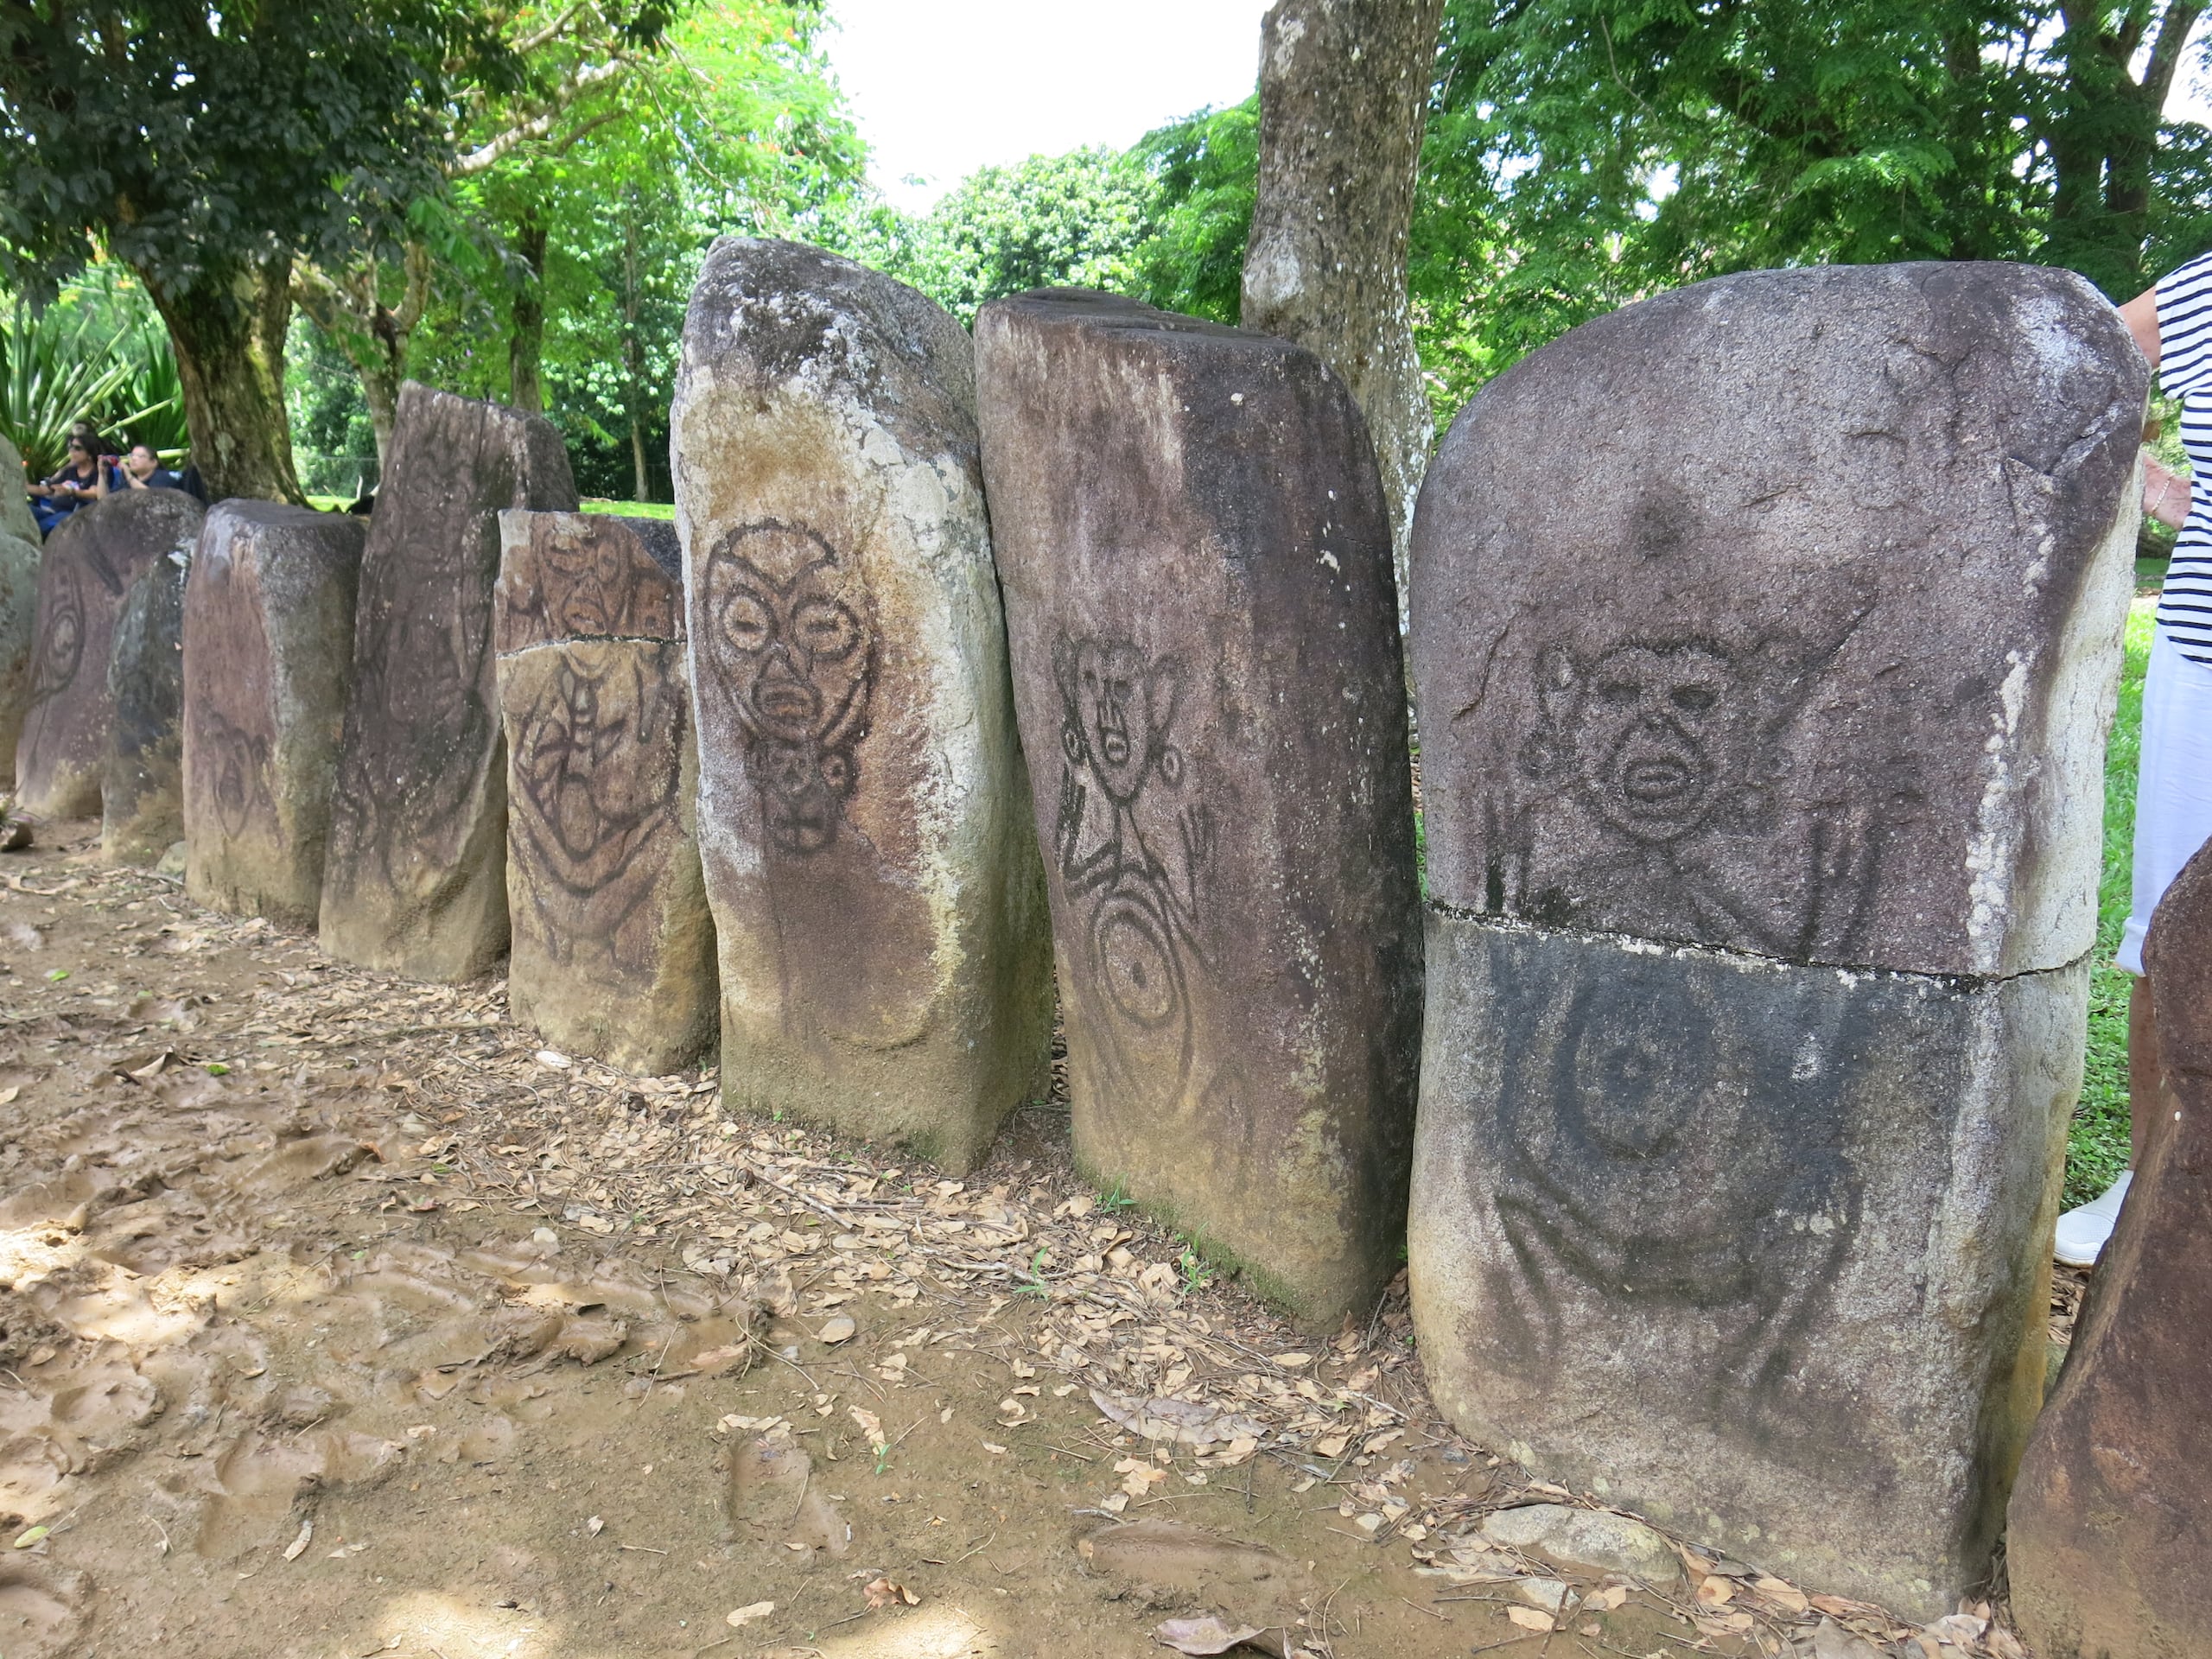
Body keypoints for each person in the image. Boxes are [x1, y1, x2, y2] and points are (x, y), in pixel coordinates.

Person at [2053, 259, 2212, 1267]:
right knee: (2171, 927)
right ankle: (2151, 1188)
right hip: (2208, 660)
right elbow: (2072, 359)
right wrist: (2156, 488)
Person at [25, 423, 108, 535]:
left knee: (40, 528)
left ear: (89, 453)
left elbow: (94, 493)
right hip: (52, 511)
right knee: (25, 511)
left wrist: (71, 492)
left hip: (74, 515)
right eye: (71, 447)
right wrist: (21, 485)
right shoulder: (69, 470)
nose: (72, 451)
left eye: (77, 448)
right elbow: (43, 490)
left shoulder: (97, 471)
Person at [109, 442, 181, 492]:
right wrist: (103, 475)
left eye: (140, 456)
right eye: (132, 455)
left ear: (153, 462)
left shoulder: (163, 477)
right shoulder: (127, 482)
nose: (133, 459)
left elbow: (153, 497)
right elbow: (108, 499)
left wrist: (128, 476)